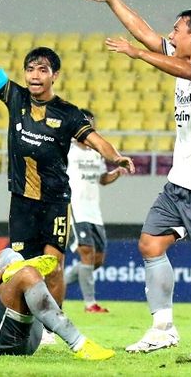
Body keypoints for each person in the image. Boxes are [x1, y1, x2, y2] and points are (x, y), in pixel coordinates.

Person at [0, 9, 135, 313]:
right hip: (22, 202)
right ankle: (20, 323)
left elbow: (94, 139)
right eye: (31, 69)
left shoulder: (68, 113)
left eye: (43, 69)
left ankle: (52, 327)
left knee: (54, 267)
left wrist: (116, 158)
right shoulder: (14, 97)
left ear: (54, 75)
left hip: (56, 201)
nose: (35, 75)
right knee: (21, 269)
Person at [77, 0, 191, 357]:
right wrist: (113, 1)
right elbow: (145, 32)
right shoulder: (179, 59)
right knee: (150, 243)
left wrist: (137, 55)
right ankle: (163, 328)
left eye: (178, 30)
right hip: (179, 181)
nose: (170, 34)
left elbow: (182, 67)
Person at [64, 109, 126, 314]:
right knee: (87, 254)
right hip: (76, 209)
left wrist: (115, 173)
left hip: (94, 212)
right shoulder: (67, 150)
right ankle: (90, 304)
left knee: (97, 260)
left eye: (92, 124)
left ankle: (57, 281)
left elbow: (102, 179)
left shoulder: (96, 154)